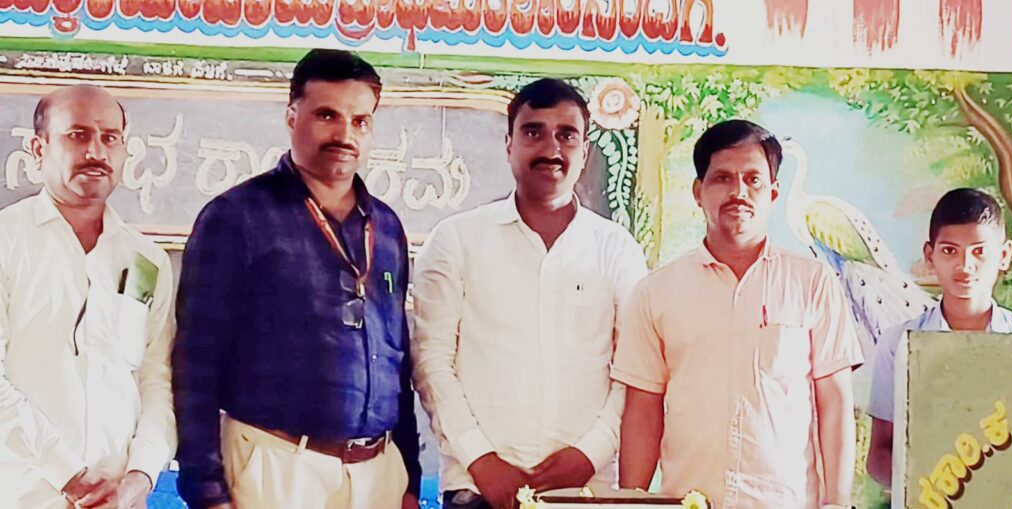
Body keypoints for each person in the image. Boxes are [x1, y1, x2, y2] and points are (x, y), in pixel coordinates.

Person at [173, 49, 421, 509]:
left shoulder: (386, 227)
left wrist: (409, 479)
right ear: (291, 116)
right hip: (277, 467)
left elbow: (397, 359)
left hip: (377, 473)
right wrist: (206, 490)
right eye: (327, 115)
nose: (344, 134)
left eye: (360, 121)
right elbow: (195, 361)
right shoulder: (236, 217)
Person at [412, 78, 648, 509]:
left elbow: (635, 369)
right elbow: (431, 362)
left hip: (585, 489)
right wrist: (481, 459)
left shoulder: (617, 250)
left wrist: (590, 453)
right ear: (509, 145)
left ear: (585, 151)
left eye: (566, 135)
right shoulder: (456, 239)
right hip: (477, 488)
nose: (551, 148)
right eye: (533, 132)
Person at [613, 119, 862, 509]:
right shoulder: (656, 292)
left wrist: (837, 502)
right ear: (698, 192)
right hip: (688, 501)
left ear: (774, 192)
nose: (739, 192)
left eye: (753, 179)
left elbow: (834, 401)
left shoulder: (813, 282)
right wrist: (632, 502)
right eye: (723, 178)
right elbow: (643, 410)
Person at [0, 85, 176, 508]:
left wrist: (139, 478)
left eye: (110, 137)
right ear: (38, 149)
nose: (96, 151)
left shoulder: (145, 260)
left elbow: (157, 381)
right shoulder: (7, 241)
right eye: (77, 135)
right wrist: (69, 475)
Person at [866, 187, 1012, 488]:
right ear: (930, 255)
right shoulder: (900, 344)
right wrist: (929, 489)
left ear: (1004, 255)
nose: (965, 266)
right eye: (950, 251)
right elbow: (879, 454)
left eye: (979, 251)